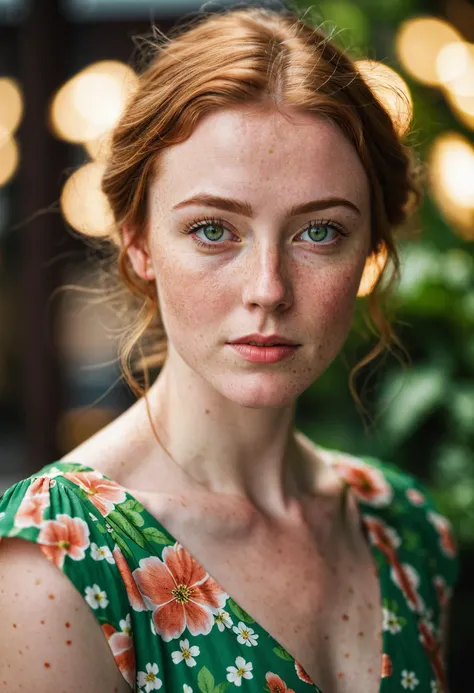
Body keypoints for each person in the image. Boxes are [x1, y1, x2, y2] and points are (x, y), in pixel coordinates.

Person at [0, 6, 459, 693]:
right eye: (215, 228)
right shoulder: (59, 560)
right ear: (138, 240)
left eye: (321, 232)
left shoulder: (410, 531)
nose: (268, 289)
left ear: (372, 249)